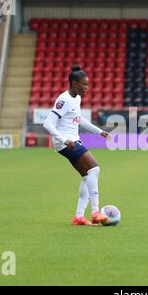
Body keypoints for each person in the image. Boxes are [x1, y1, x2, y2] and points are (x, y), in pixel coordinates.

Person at [43, 65, 111, 226]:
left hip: (73, 140)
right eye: (84, 84)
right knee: (94, 169)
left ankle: (79, 216)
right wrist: (63, 140)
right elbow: (48, 123)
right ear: (74, 84)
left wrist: (100, 131)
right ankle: (95, 212)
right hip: (66, 142)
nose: (87, 88)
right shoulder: (63, 100)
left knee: (88, 176)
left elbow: (79, 119)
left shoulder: (77, 98)